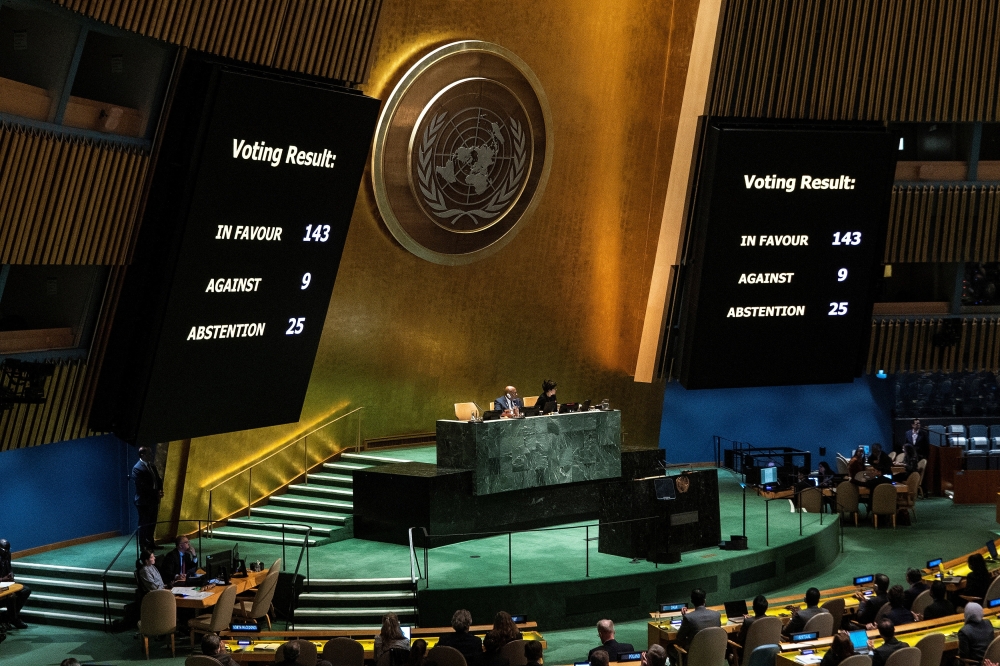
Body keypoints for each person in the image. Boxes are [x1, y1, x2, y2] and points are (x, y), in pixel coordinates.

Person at [131, 446, 163, 552]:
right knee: (144, 524)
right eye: (149, 454)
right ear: (142, 455)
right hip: (143, 501)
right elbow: (142, 487)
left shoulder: (151, 465)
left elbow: (158, 480)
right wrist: (155, 492)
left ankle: (150, 542)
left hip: (153, 500)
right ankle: (143, 545)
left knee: (152, 522)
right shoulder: (137, 468)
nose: (151, 455)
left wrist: (160, 490)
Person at [0, 538, 30, 629]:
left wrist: (11, 575)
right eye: (5, 550)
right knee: (11, 596)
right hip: (1, 584)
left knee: (26, 590)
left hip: (5, 584)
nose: (7, 552)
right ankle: (13, 619)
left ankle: (7, 618)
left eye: (8, 550)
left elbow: (10, 568)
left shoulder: (7, 555)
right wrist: (2, 579)